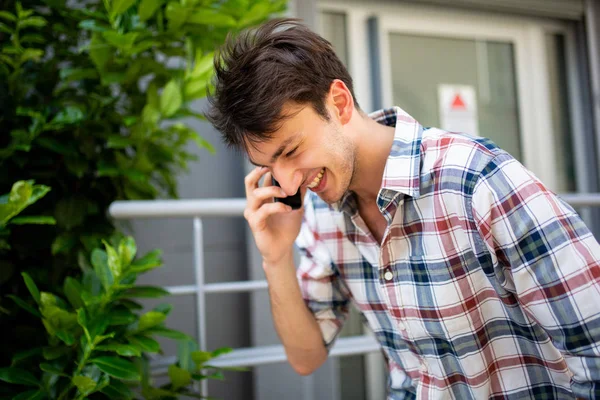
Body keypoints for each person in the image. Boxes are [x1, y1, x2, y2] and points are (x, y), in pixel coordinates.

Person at [206, 17, 600, 399]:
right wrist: (275, 257)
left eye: (291, 151)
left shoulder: (475, 178)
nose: (288, 182)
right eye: (270, 167)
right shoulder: (321, 214)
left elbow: (594, 345)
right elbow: (306, 357)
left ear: (339, 103)